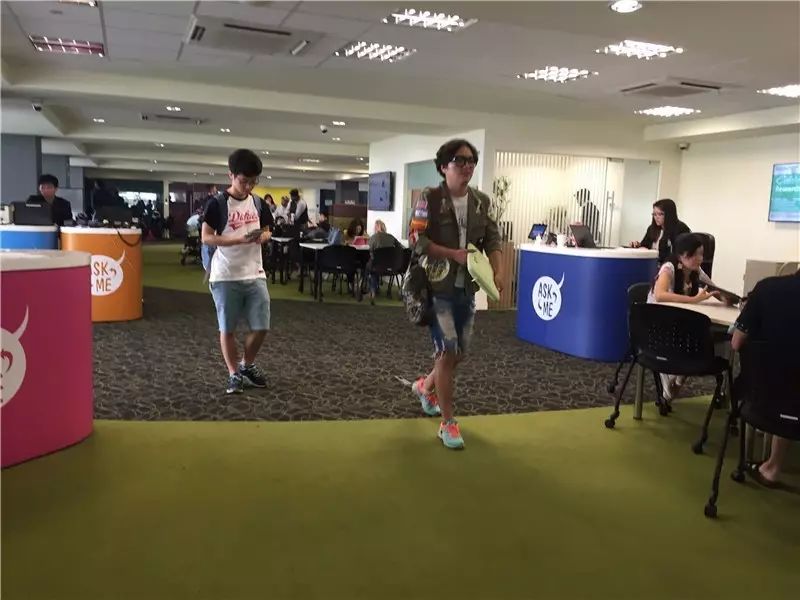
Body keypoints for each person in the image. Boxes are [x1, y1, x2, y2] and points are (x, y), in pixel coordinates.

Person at [408, 139, 503, 450]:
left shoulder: (481, 202)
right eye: (460, 161)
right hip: (438, 287)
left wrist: (498, 272)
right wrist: (452, 254)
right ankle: (448, 422)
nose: (467, 166)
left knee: (457, 354)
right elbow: (417, 239)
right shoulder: (430, 198)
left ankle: (425, 387)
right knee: (447, 353)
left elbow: (493, 240)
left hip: (467, 288)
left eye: (471, 161)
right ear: (443, 167)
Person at [201, 149, 274, 395]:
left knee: (261, 326)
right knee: (227, 329)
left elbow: (268, 229)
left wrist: (263, 236)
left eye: (254, 182)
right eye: (244, 181)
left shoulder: (258, 202)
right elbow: (206, 237)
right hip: (225, 275)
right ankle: (234, 374)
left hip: (255, 272)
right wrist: (238, 240)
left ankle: (247, 365)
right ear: (231, 175)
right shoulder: (217, 204)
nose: (249, 187)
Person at [731, 268, 800, 487]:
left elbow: (736, 343)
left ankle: (771, 467)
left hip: (762, 398)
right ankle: (773, 465)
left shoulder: (767, 288)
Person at [647, 233, 718, 402]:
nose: (700, 259)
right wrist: (693, 300)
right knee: (693, 340)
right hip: (657, 321)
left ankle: (676, 379)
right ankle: (671, 377)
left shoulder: (695, 270)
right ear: (682, 255)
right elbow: (660, 295)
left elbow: (713, 288)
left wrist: (727, 298)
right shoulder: (669, 268)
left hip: (677, 320)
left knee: (699, 340)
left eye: (701, 254)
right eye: (695, 254)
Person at [631, 198, 691, 263]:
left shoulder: (681, 228)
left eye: (660, 214)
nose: (656, 217)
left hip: (668, 265)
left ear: (669, 214)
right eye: (654, 214)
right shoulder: (651, 228)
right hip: (651, 264)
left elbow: (679, 254)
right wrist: (638, 246)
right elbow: (645, 245)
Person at [367, 219, 402, 303]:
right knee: (374, 266)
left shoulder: (373, 237)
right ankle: (377, 288)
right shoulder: (391, 237)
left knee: (370, 267)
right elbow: (400, 247)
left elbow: (370, 251)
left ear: (377, 228)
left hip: (377, 267)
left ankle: (372, 290)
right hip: (391, 267)